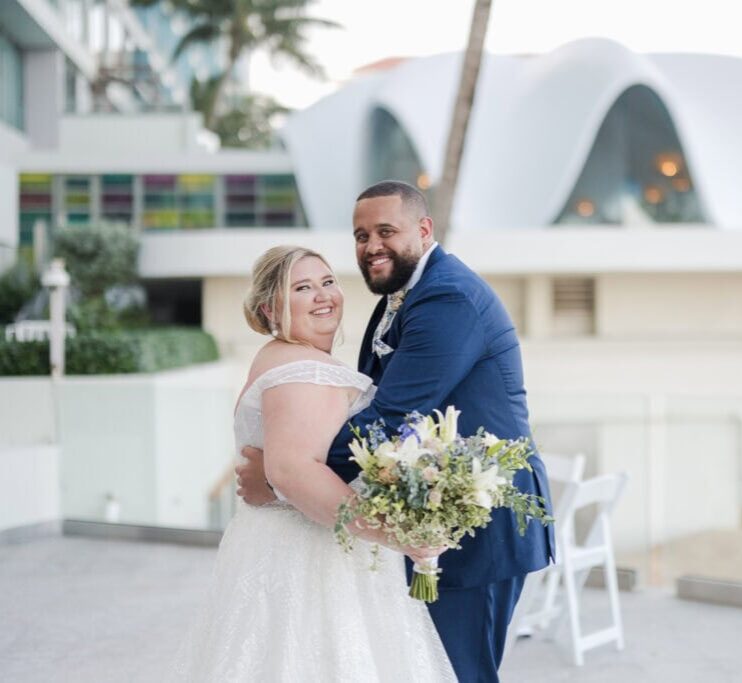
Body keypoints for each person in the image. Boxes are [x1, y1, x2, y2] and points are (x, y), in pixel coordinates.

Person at [238, 181, 555, 682]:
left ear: (424, 229)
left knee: (458, 671)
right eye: (361, 236)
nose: (371, 246)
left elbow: (389, 419)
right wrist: (289, 466)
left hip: (475, 521)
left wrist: (286, 473)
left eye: (386, 231)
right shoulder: (402, 296)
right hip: (427, 513)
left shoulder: (447, 297)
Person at [172, 245, 455, 682]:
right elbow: (293, 472)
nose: (323, 295)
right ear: (271, 307)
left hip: (296, 548)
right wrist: (398, 535)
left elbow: (287, 466)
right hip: (311, 562)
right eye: (303, 288)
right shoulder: (303, 369)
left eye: (328, 282)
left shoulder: (289, 357)